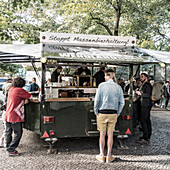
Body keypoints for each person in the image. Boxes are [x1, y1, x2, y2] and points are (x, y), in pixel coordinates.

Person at [94, 69, 125, 163]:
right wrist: (118, 113)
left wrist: (96, 111)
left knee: (102, 134)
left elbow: (97, 101)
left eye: (105, 75)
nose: (104, 77)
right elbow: (122, 102)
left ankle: (101, 155)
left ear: (108, 76)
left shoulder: (101, 86)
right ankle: (109, 156)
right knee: (110, 134)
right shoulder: (118, 87)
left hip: (102, 113)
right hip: (113, 113)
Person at [5, 77, 31, 156]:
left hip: (8, 114)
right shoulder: (20, 90)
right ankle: (11, 149)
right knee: (18, 133)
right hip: (15, 115)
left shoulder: (11, 89)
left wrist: (22, 100)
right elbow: (29, 96)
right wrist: (24, 100)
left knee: (8, 132)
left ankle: (8, 146)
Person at [136, 73, 152, 144]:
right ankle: (147, 136)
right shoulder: (145, 85)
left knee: (143, 120)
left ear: (146, 77)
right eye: (140, 77)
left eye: (142, 77)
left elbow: (148, 94)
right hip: (145, 104)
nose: (141, 78)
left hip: (146, 104)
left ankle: (146, 137)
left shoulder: (147, 85)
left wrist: (140, 94)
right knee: (146, 120)